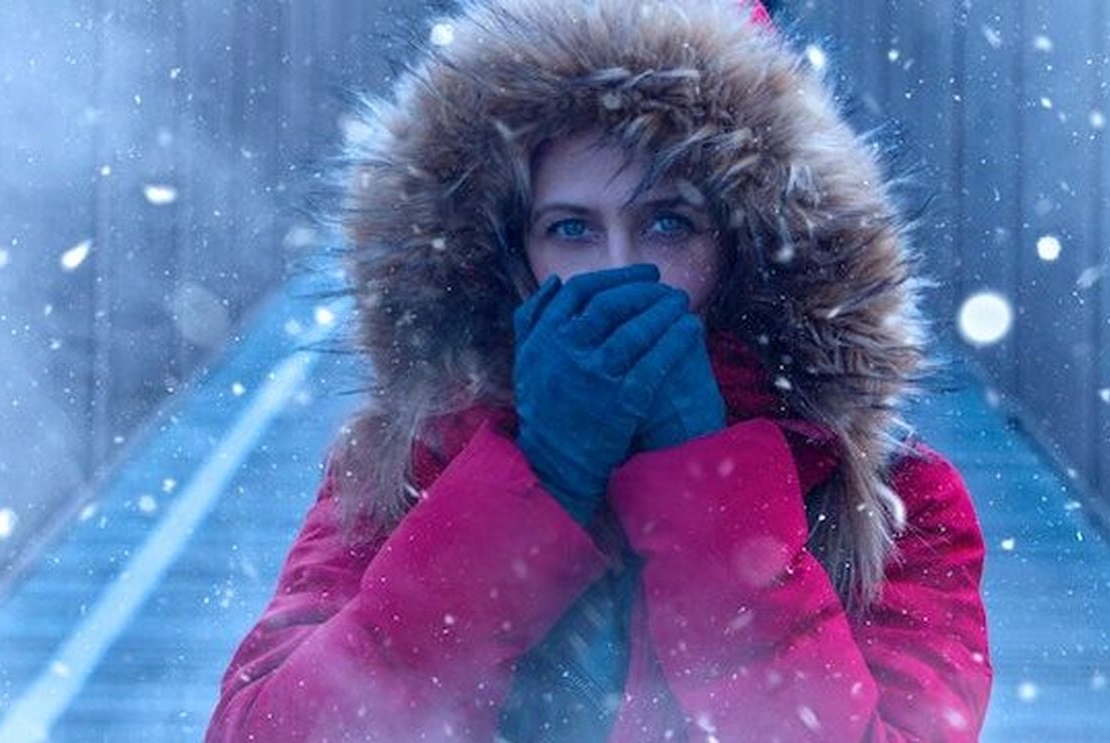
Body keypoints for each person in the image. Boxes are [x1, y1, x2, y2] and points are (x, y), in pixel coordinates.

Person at [205, 0, 994, 740]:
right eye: (573, 228)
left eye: (667, 222)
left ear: (743, 244)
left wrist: (711, 492)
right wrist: (533, 485)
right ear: (512, 256)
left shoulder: (885, 498)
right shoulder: (408, 464)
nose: (622, 272)